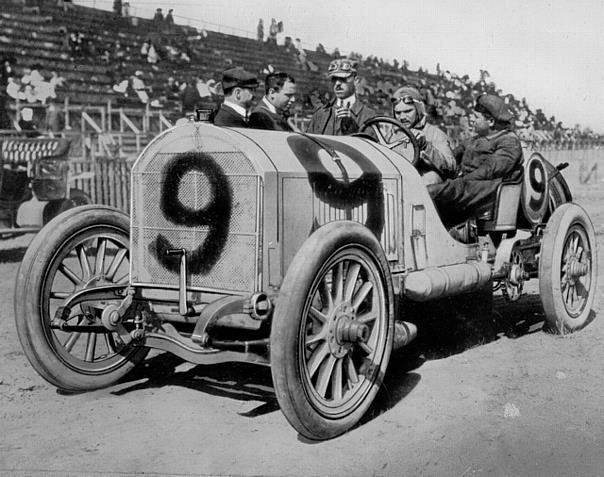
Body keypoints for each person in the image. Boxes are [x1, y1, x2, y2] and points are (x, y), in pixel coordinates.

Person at [427, 93, 524, 226]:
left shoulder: (509, 141)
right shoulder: (474, 139)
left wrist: (459, 182)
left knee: (436, 192)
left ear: (490, 122)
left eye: (476, 117)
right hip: (470, 187)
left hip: (489, 190)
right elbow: (451, 159)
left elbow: (489, 171)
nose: (471, 119)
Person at [390, 86, 457, 184]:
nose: (402, 117)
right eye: (398, 113)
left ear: (418, 110)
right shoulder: (390, 135)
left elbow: (451, 167)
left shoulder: (435, 134)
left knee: (431, 178)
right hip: (396, 180)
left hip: (422, 184)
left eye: (408, 111)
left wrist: (427, 147)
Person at [306, 59, 375, 136]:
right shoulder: (321, 114)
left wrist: (352, 128)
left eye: (343, 79)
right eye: (334, 79)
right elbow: (308, 145)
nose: (337, 83)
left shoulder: (368, 116)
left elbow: (369, 146)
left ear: (356, 81)